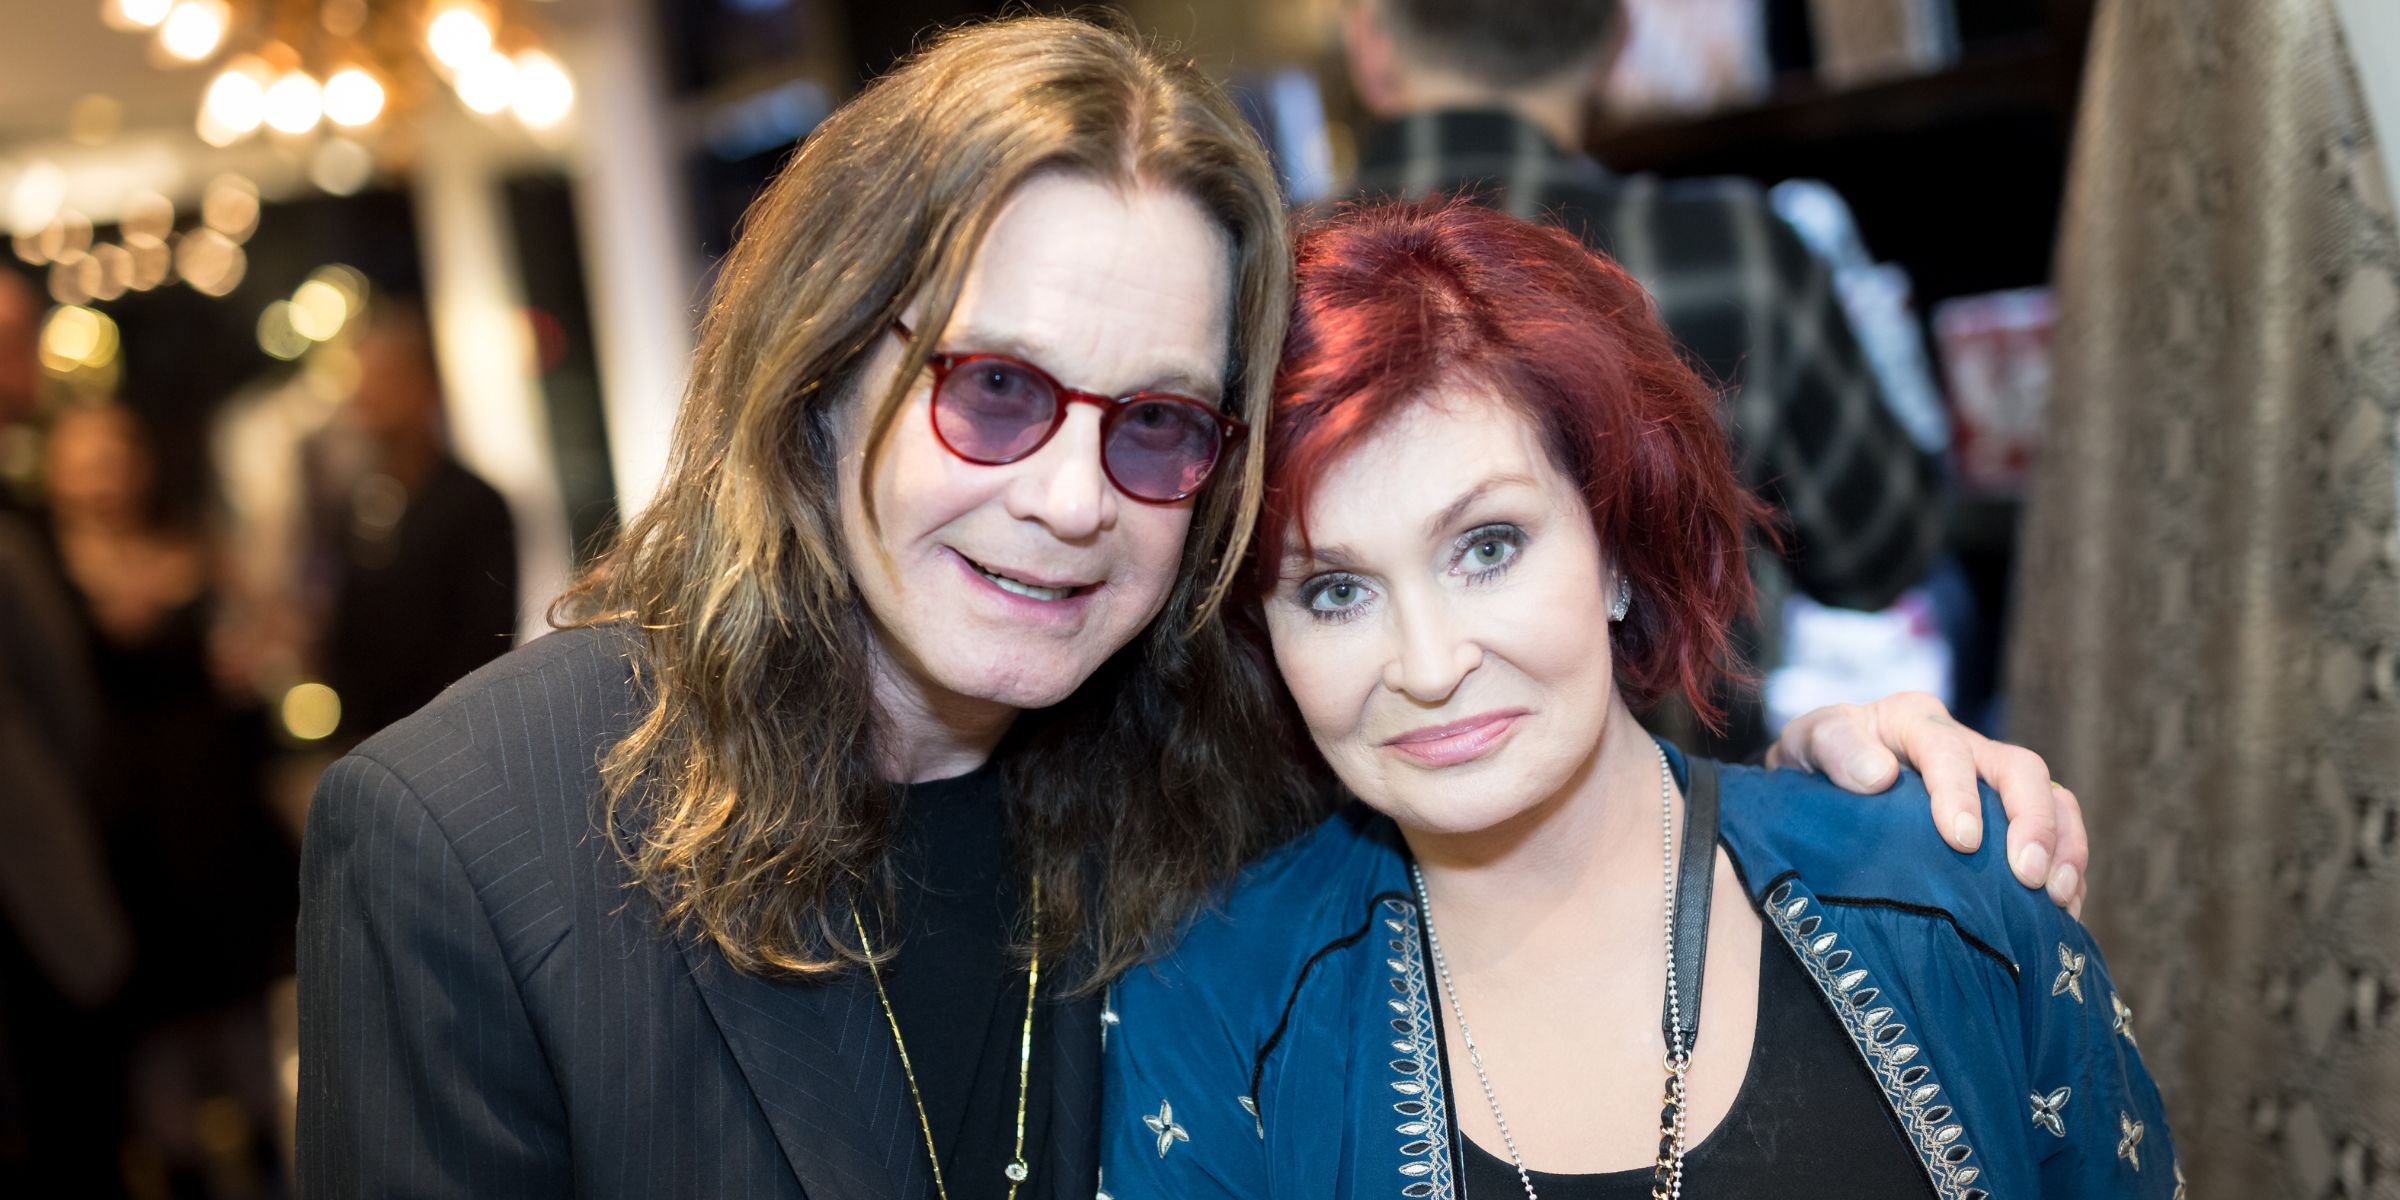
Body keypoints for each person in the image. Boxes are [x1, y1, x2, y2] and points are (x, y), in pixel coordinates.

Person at [299, 17, 2086, 1200]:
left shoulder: (1218, 740)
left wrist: (1837, 789)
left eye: (1156, 426)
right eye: (995, 390)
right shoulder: (465, 845)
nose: (1072, 498)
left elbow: (1529, 740)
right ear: (826, 366)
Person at [1100, 199, 2172, 1198]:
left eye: (1487, 547)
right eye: (1335, 591)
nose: (1427, 666)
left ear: (1616, 546)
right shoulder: (1215, 1014)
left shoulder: (1946, 899)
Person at [1340, 0, 1948, 768]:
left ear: (1370, 45)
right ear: (1616, 43)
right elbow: (1879, 553)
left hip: (1333, 844)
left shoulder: (1260, 281)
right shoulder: (1738, 251)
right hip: (1697, 820)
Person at [304, 302, 517, 746]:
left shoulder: (475, 502)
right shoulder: (358, 501)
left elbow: (487, 636)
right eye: (360, 380)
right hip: (372, 740)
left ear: (424, 385)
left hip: (456, 737)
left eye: (384, 378)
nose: (366, 396)